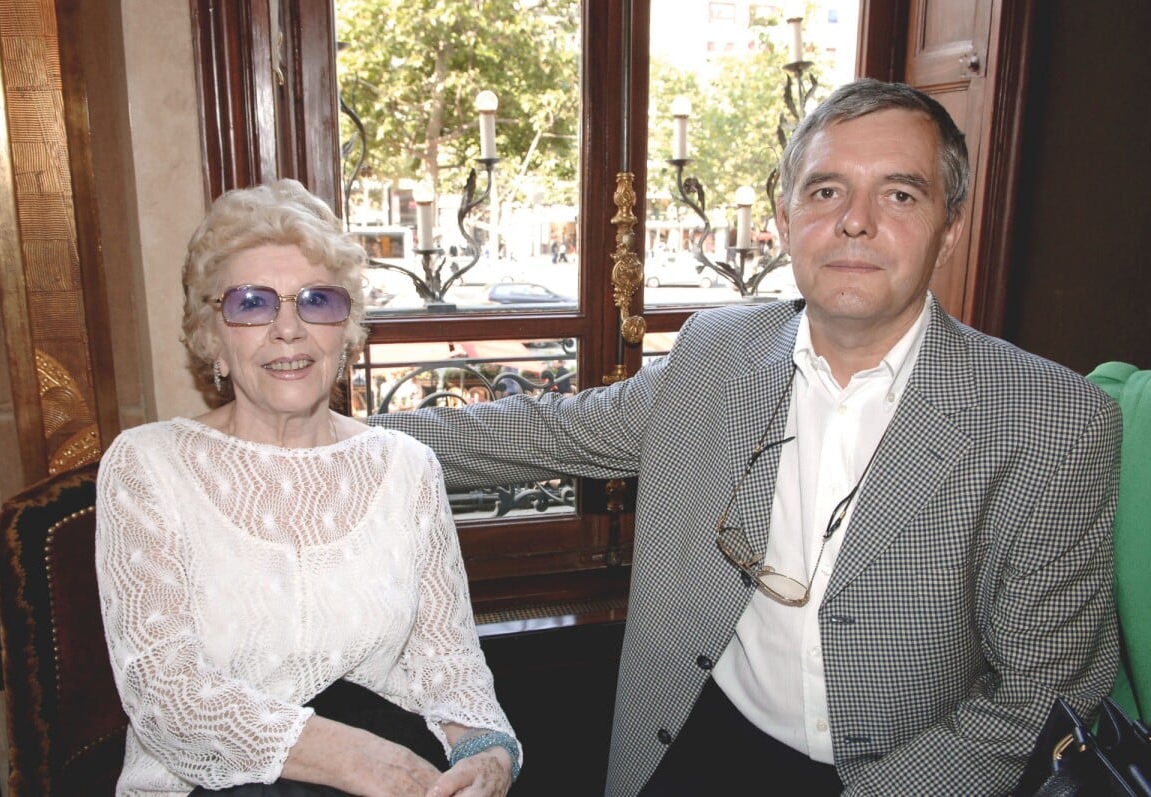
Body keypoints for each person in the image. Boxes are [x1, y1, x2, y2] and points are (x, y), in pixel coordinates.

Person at [369, 79, 1123, 796]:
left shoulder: (1053, 422)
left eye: (899, 193)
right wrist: (342, 438)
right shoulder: (715, 352)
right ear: (786, 214)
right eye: (826, 191)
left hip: (903, 770)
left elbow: (1036, 698)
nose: (854, 220)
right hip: (694, 739)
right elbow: (550, 430)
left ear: (950, 227)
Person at [95, 179, 520, 797]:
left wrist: (487, 751)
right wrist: (355, 761)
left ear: (346, 332)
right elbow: (165, 691)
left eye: (316, 300)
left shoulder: (408, 469)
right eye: (252, 303)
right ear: (213, 335)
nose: (287, 329)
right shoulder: (147, 465)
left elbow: (447, 660)